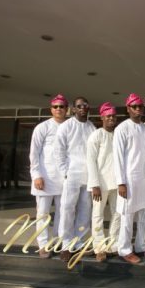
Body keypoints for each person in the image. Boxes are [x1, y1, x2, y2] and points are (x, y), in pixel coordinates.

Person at [54, 96, 96, 262]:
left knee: (85, 209)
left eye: (85, 105)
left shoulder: (92, 127)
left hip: (88, 175)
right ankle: (66, 244)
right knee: (67, 208)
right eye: (79, 106)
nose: (82, 108)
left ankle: (79, 243)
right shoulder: (66, 126)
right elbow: (59, 151)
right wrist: (65, 172)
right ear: (73, 109)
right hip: (71, 175)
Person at [29, 94, 68, 258]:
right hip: (44, 178)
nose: (58, 109)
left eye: (61, 106)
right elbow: (34, 153)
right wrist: (36, 174)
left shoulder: (70, 126)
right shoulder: (42, 127)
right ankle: (43, 244)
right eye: (55, 106)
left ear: (67, 109)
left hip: (64, 178)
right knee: (43, 213)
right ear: (51, 109)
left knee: (63, 212)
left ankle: (59, 242)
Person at [113, 94, 145, 264]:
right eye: (134, 106)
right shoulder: (122, 128)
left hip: (144, 179)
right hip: (128, 179)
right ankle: (125, 249)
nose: (137, 109)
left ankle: (141, 245)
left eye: (139, 106)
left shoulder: (144, 128)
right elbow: (118, 157)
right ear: (128, 108)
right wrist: (121, 182)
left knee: (144, 213)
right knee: (127, 216)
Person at [86, 102, 121, 262]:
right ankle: (99, 247)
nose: (111, 118)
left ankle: (113, 245)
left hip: (117, 182)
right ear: (102, 118)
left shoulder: (118, 134)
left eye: (113, 116)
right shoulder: (96, 135)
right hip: (100, 184)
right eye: (108, 116)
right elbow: (90, 161)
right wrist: (94, 185)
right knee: (97, 215)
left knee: (117, 213)